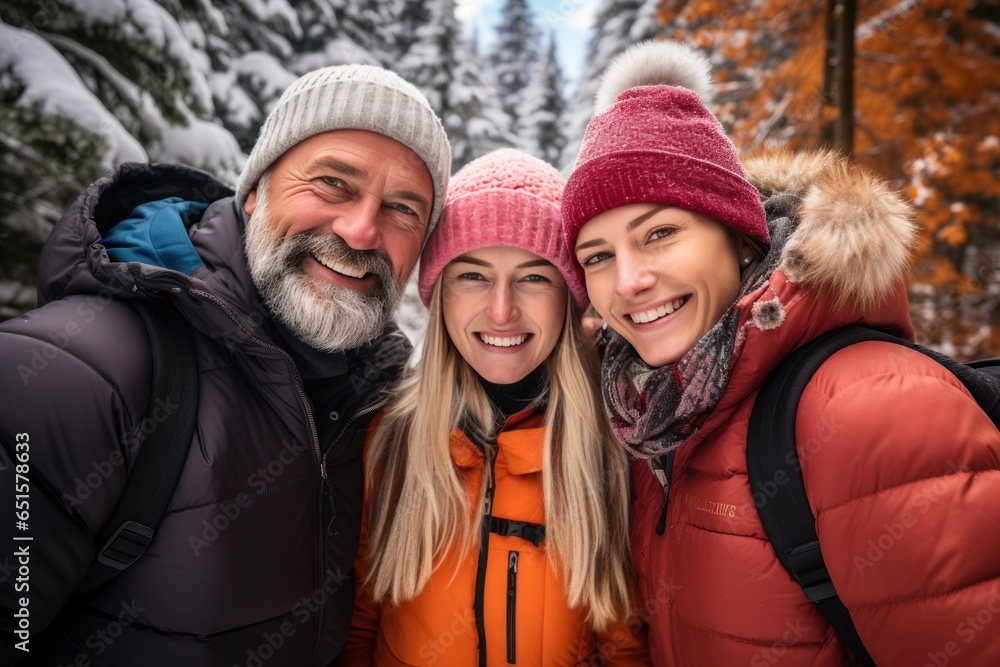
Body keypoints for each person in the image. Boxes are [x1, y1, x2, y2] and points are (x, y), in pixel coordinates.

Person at [560, 40, 1000, 666]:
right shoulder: (653, 419)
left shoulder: (870, 406)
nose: (628, 282)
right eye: (597, 256)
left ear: (739, 236)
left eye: (659, 233)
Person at [0, 64, 451, 665]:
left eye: (403, 209)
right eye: (333, 184)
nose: (363, 230)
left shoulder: (373, 405)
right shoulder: (72, 373)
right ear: (256, 189)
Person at [339, 149, 651, 666]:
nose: (502, 311)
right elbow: (360, 622)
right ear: (440, 297)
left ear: (569, 300)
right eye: (473, 276)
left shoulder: (614, 444)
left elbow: (626, 644)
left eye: (534, 277)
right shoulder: (391, 435)